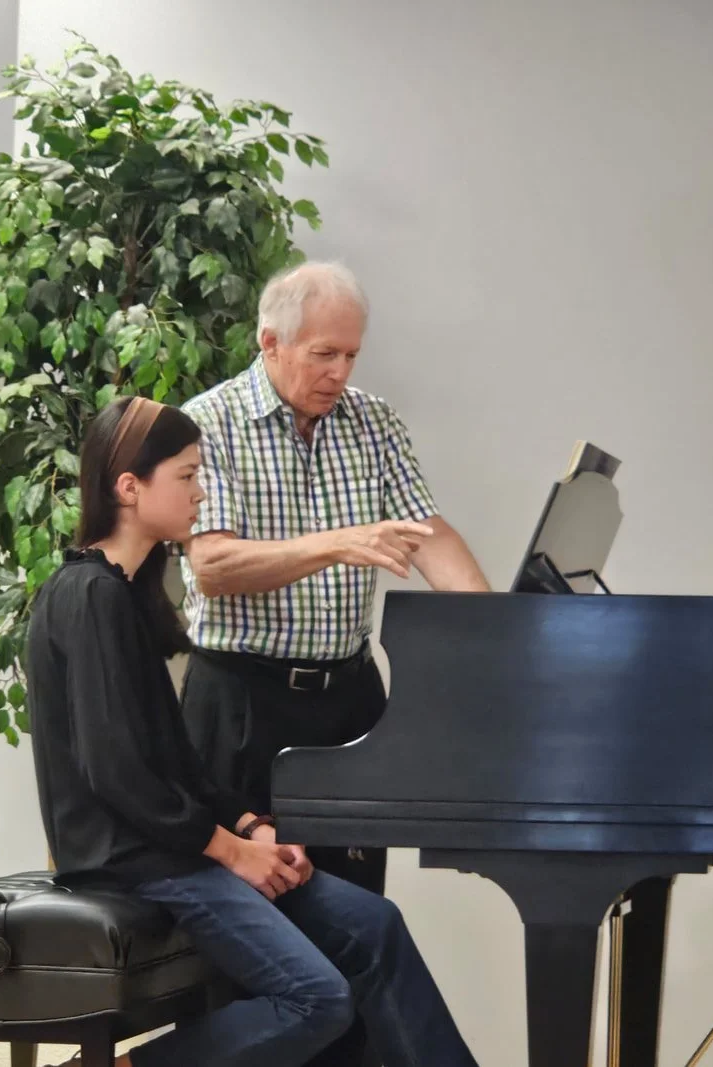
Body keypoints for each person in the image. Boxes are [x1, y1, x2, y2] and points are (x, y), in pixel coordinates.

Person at [26, 395, 481, 1067]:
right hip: (136, 861)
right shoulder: (89, 596)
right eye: (186, 475)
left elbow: (174, 757)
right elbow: (116, 771)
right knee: (317, 999)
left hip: (176, 849)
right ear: (129, 487)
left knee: (376, 924)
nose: (200, 491)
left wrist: (249, 825)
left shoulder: (124, 593)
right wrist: (230, 851)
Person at [180, 260, 489, 890]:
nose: (340, 373)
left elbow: (426, 535)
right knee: (251, 917)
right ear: (271, 342)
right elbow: (213, 566)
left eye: (351, 355)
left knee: (355, 910)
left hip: (348, 704)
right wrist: (340, 543)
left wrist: (496, 624)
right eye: (324, 354)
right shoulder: (208, 422)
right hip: (242, 705)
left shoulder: (374, 421)